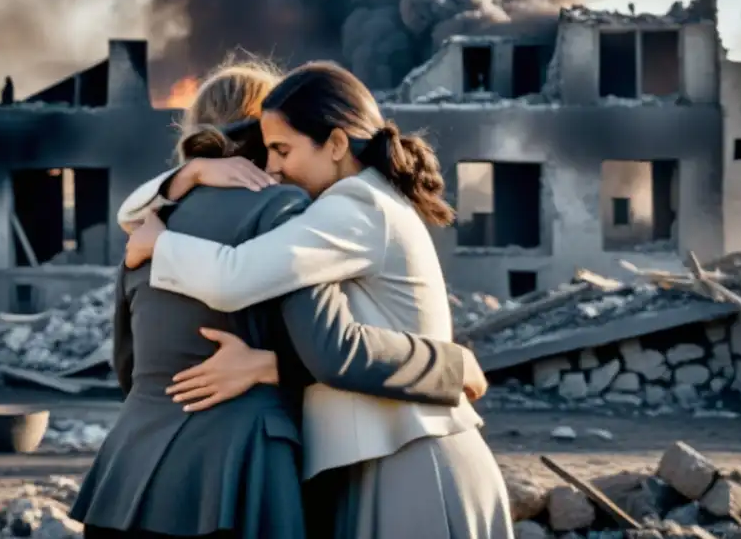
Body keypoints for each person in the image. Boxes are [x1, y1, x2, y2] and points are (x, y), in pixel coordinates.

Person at [71, 60, 488, 539]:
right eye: (270, 148)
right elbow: (328, 345)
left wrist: (173, 209)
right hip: (243, 473)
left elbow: (127, 363)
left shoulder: (154, 223)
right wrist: (453, 367)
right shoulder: (288, 212)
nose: (274, 165)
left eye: (282, 149)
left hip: (126, 473)